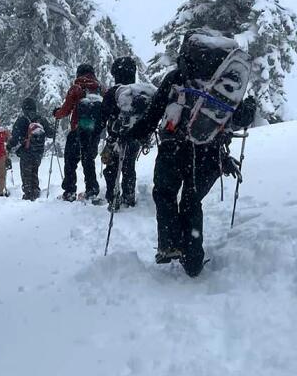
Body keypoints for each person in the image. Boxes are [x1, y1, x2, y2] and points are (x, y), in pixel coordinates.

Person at [129, 30, 257, 277]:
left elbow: (153, 113)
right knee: (191, 201)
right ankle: (193, 261)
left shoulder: (177, 77)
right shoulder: (224, 79)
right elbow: (238, 117)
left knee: (164, 193)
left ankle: (170, 244)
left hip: (172, 146)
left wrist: (133, 134)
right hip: (209, 149)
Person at [53, 64, 104, 202]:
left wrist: (56, 113)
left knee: (70, 161)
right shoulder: (100, 89)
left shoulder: (77, 88)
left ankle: (69, 191)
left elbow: (65, 110)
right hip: (94, 132)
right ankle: (91, 191)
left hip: (78, 129)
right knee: (88, 160)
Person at [100, 56, 142, 210]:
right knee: (128, 167)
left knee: (111, 168)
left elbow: (102, 117)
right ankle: (129, 196)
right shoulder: (138, 92)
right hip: (133, 138)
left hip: (114, 138)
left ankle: (113, 198)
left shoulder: (112, 92)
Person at [8, 97, 54, 201]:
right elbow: (51, 134)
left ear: (24, 108)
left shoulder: (22, 120)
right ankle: (35, 192)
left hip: (26, 152)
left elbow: (15, 138)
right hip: (38, 152)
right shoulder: (41, 119)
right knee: (34, 172)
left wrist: (8, 147)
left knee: (26, 175)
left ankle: (28, 195)